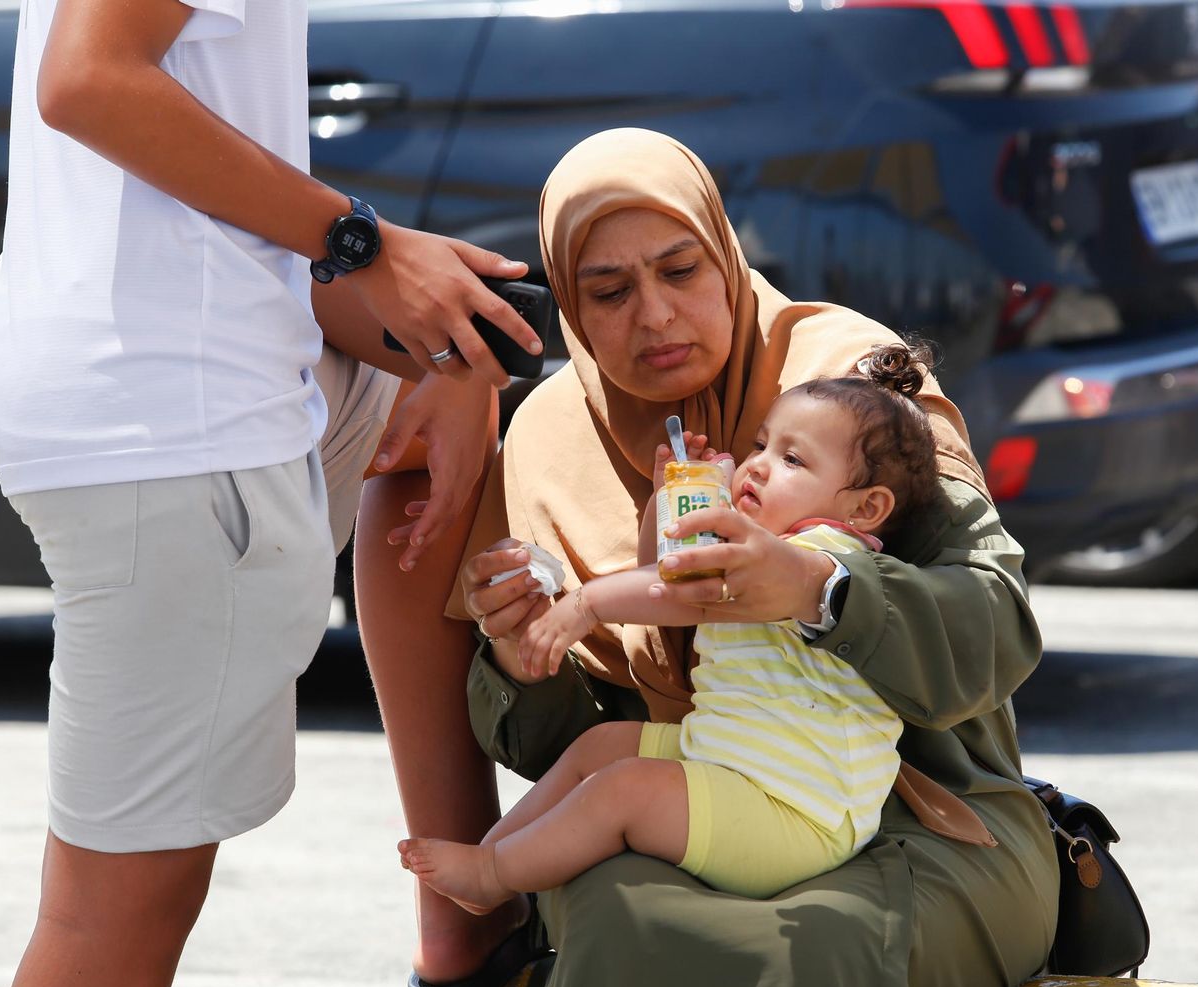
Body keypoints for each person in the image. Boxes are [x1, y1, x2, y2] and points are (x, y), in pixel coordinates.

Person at [0, 0, 540, 987]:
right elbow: (87, 80)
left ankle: (464, 917)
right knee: (109, 926)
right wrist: (360, 241)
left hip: (184, 390)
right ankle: (472, 913)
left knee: (113, 918)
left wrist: (447, 355)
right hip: (171, 429)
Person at [446, 127, 1060, 987]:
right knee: (615, 926)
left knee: (816, 951)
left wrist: (821, 586)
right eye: (609, 293)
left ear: (727, 258)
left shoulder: (851, 389)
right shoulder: (546, 439)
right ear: (569, 306)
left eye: (681, 270)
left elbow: (997, 633)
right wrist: (520, 652)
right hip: (682, 800)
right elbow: (559, 750)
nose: (655, 315)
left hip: (919, 815)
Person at [401, 344, 952, 908]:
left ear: (865, 509)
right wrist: (665, 502)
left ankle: (495, 876)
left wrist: (587, 604)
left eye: (794, 461)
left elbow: (682, 594)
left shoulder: (822, 557)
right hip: (733, 765)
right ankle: (489, 858)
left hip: (795, 817)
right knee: (605, 748)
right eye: (762, 444)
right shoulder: (767, 547)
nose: (758, 464)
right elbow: (662, 573)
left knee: (622, 791)